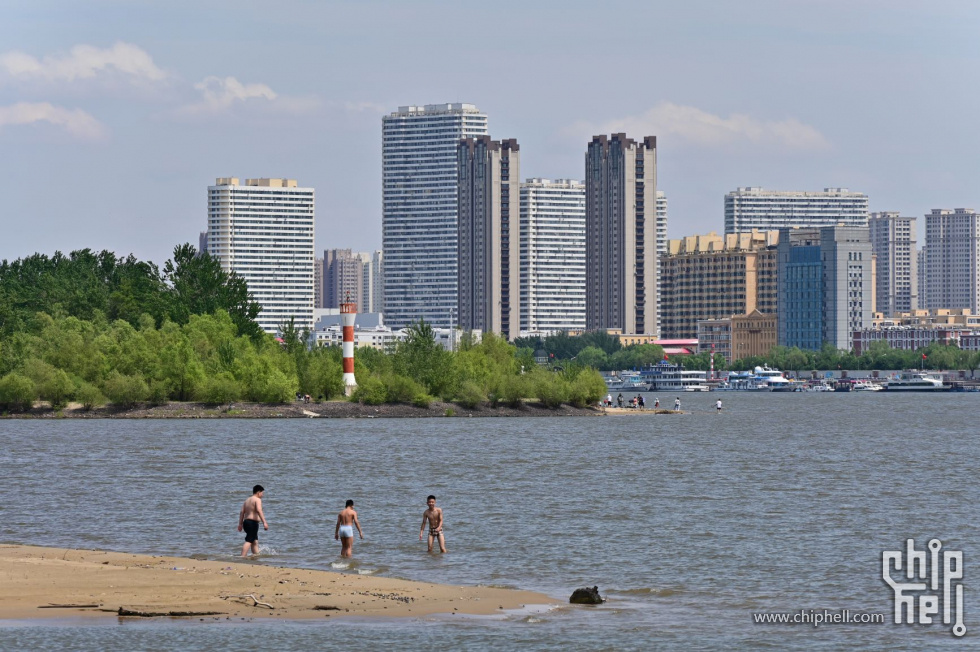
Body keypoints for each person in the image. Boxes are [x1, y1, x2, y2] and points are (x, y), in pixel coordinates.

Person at [237, 484, 268, 558]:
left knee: (254, 541)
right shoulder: (257, 500)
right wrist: (264, 522)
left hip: (246, 522)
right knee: (249, 540)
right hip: (252, 523)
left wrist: (240, 524)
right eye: (262, 493)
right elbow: (259, 510)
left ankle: (256, 555)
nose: (262, 495)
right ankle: (242, 556)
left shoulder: (247, 500)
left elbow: (242, 512)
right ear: (258, 492)